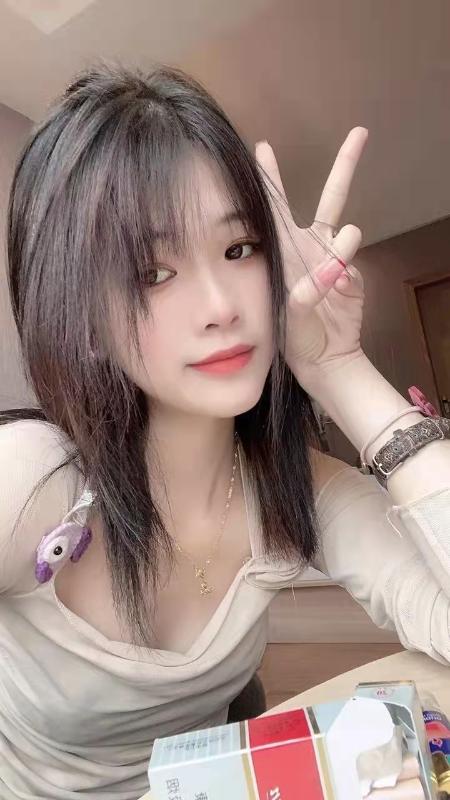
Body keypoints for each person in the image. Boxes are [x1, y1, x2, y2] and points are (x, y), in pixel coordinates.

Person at [0, 62, 449, 800]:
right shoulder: (31, 481)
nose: (220, 306)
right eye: (151, 272)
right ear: (80, 320)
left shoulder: (295, 487)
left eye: (239, 250)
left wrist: (340, 369)